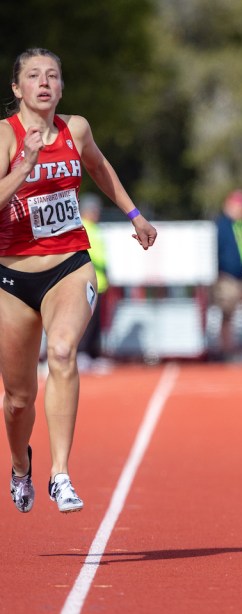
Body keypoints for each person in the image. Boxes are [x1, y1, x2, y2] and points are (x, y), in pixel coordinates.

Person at [0, 48, 157, 514]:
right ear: (17, 88)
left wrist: (134, 214)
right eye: (33, 76)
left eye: (52, 76)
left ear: (62, 87)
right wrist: (23, 167)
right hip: (12, 276)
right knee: (17, 397)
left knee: (64, 351)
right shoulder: (5, 137)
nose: (44, 83)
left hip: (69, 263)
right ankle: (21, 465)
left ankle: (60, 473)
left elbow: (100, 168)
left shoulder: (77, 128)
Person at [211, 188, 242, 361]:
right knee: (227, 314)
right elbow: (218, 251)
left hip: (239, 277)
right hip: (226, 276)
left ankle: (237, 347)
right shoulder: (222, 225)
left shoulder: (241, 226)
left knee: (239, 314)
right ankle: (226, 349)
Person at [76, 193, 110, 372]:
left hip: (100, 282)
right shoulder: (82, 227)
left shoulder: (96, 228)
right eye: (94, 210)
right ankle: (82, 353)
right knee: (86, 320)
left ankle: (93, 354)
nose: (97, 213)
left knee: (96, 322)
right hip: (87, 281)